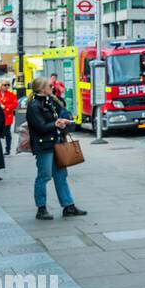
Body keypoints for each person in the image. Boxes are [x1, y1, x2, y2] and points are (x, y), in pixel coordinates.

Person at [26, 76, 86, 220]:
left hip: (56, 143)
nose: (52, 87)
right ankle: (41, 208)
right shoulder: (34, 106)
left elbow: (60, 114)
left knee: (61, 175)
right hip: (44, 145)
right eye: (49, 86)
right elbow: (39, 127)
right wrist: (56, 124)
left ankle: (68, 205)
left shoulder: (50, 102)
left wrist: (63, 120)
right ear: (41, 88)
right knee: (44, 176)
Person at [0, 80, 19, 156]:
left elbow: (15, 104)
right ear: (0, 85)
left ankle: (8, 149)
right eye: (5, 85)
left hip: (7, 117)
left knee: (7, 133)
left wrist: (5, 107)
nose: (7, 86)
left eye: (8, 85)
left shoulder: (11, 95)